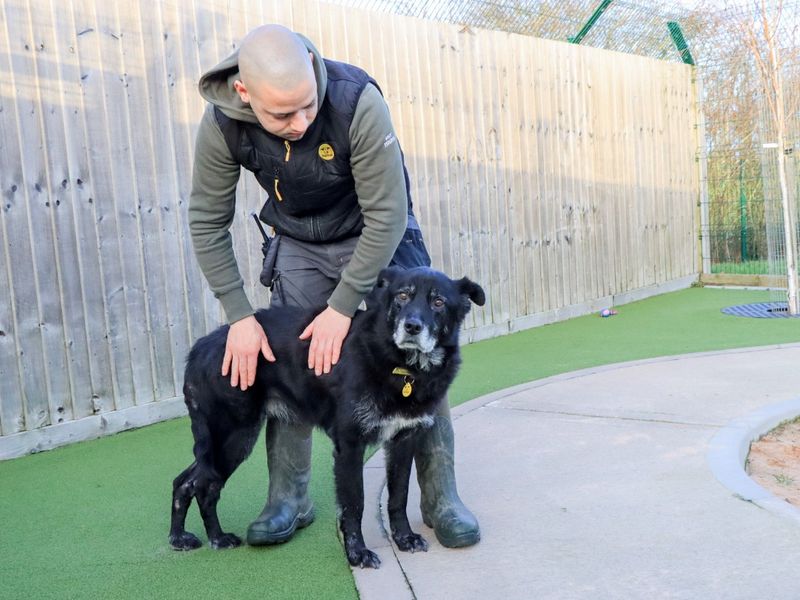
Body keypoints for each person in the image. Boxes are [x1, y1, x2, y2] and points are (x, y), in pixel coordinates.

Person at [188, 24, 479, 549]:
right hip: (299, 237)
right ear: (245, 94)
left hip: (377, 230)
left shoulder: (356, 101)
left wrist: (343, 306)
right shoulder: (223, 125)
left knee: (423, 357)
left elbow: (387, 214)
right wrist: (239, 317)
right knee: (293, 364)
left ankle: (441, 499)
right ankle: (289, 499)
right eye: (282, 114)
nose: (300, 122)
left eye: (308, 105)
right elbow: (207, 222)